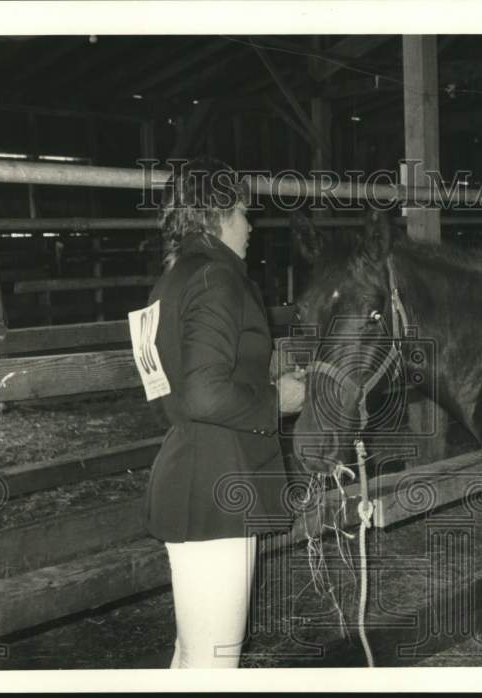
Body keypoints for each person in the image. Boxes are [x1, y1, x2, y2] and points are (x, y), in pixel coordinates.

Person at [140, 156, 306, 668]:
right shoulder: (217, 278)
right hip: (218, 485)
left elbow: (165, 384)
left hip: (192, 471)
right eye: (241, 212)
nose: (251, 226)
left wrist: (262, 371)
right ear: (215, 214)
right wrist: (279, 400)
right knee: (215, 663)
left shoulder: (172, 280)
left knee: (193, 655)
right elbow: (205, 394)